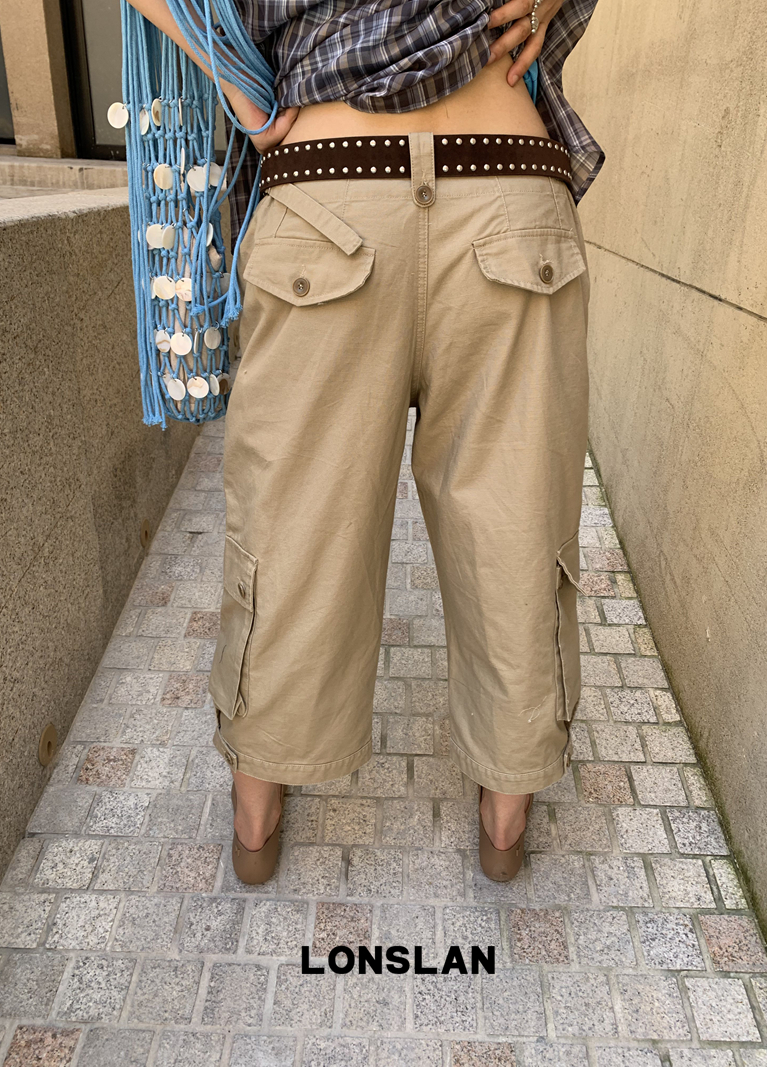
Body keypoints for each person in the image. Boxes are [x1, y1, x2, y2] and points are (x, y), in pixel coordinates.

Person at [125, 0, 603, 884]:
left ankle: (258, 807)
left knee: (294, 523)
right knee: (517, 518)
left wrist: (243, 91)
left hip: (328, 175)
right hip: (506, 171)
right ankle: (506, 811)